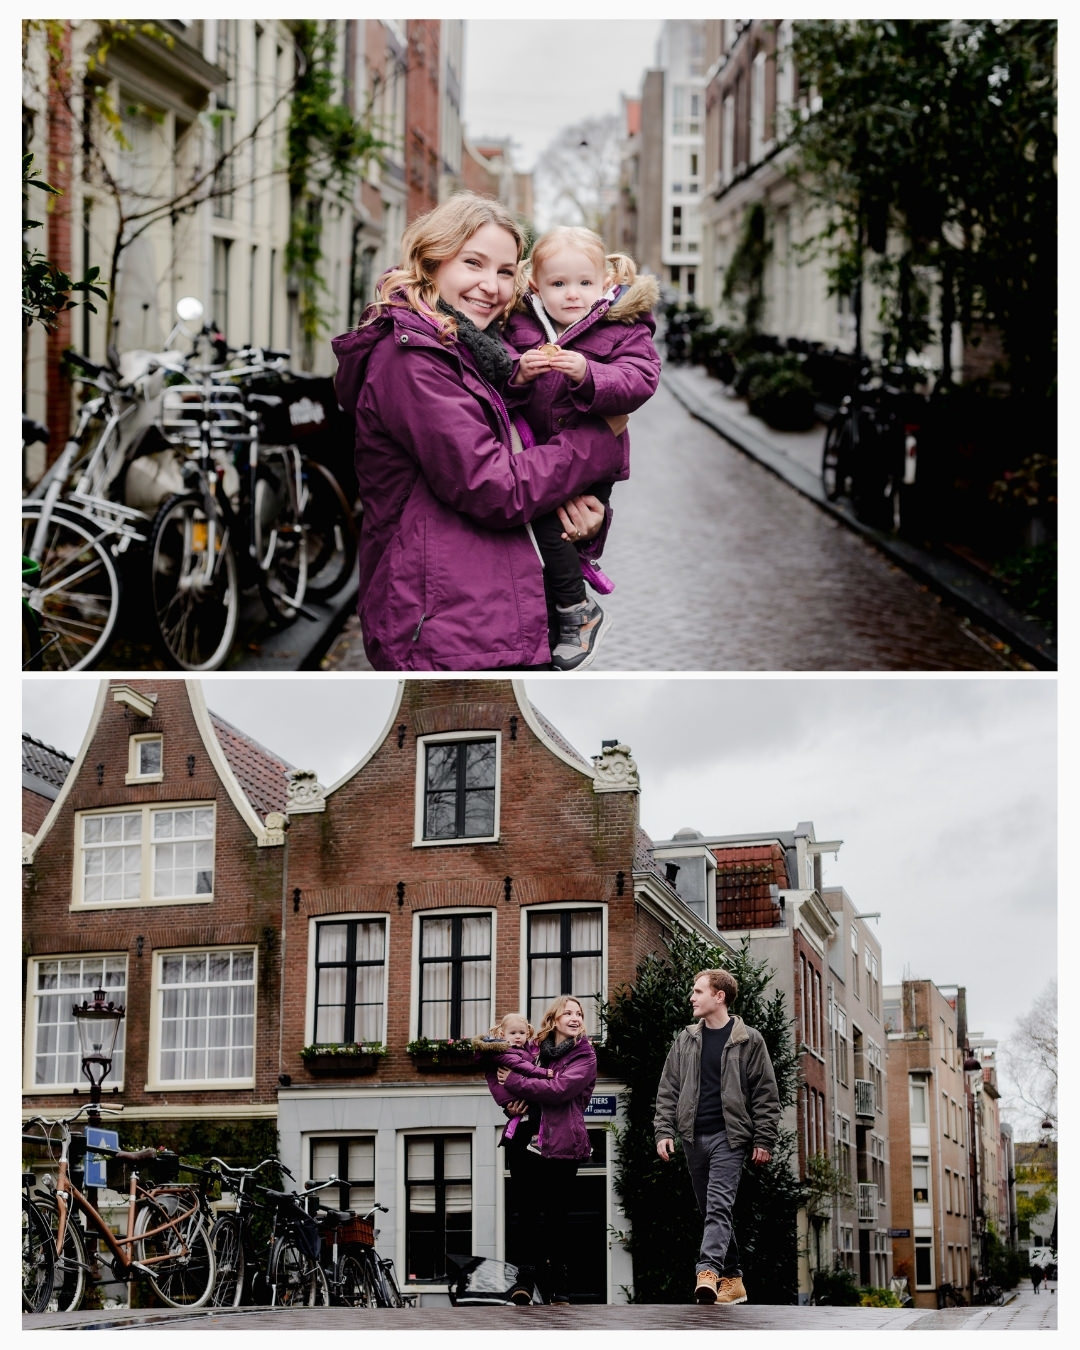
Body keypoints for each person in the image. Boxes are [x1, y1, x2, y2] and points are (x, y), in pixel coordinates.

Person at [331, 193, 629, 671]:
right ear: (432, 261)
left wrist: (582, 519)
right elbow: (495, 486)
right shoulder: (411, 359)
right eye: (474, 263)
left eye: (506, 271)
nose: (490, 286)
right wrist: (601, 438)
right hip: (449, 630)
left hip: (490, 617)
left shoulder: (485, 351)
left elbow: (529, 456)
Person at [503, 227, 661, 670]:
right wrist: (519, 373)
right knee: (545, 541)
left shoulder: (621, 326)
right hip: (538, 454)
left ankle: (576, 611)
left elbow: (641, 379)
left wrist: (589, 373)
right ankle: (565, 614)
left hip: (593, 468)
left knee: (560, 535)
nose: (572, 295)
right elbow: (498, 388)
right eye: (558, 284)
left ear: (605, 284)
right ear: (535, 284)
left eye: (584, 284)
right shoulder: (519, 324)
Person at [653, 968, 781, 1306]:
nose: (691, 998)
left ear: (719, 996)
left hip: (730, 1137)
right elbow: (668, 1089)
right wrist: (664, 1131)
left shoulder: (748, 1039)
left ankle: (707, 1271)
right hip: (693, 1138)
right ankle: (734, 1278)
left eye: (698, 991)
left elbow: (766, 1094)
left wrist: (764, 1140)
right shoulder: (686, 1039)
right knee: (711, 1209)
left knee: (719, 1206)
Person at [489, 995, 597, 1305]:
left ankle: (559, 1287)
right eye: (568, 1012)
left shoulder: (585, 1056)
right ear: (554, 1019)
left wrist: (516, 1083)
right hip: (525, 1138)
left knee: (556, 1216)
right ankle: (524, 1282)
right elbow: (500, 1071)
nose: (575, 1017)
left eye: (579, 1013)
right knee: (525, 1214)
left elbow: (559, 1090)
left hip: (562, 1142)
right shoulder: (533, 1049)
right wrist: (508, 1104)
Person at [473, 1013, 553, 1144]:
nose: (517, 1036)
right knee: (535, 1111)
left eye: (521, 1033)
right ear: (503, 1035)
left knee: (526, 1113)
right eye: (513, 1033)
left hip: (512, 1093)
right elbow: (522, 1065)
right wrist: (544, 1073)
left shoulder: (519, 1048)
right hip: (509, 1093)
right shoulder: (505, 1051)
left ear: (527, 1034)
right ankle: (537, 1140)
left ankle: (513, 1131)